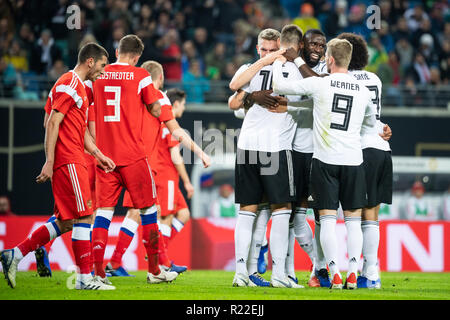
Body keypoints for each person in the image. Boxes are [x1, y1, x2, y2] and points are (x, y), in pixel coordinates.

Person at [0, 43, 116, 290]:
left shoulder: (78, 88)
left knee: (67, 221)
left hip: (74, 156)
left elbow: (64, 124)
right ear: (90, 61)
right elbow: (52, 122)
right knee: (85, 215)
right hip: (69, 159)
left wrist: (97, 153)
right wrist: (50, 161)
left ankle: (15, 254)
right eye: (103, 66)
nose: (103, 72)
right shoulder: (71, 83)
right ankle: (84, 280)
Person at [272, 38, 376, 289]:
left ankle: (333, 272)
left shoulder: (320, 84)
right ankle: (353, 271)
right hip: (353, 160)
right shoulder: (363, 89)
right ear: (349, 61)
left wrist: (277, 61)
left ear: (329, 59)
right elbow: (371, 124)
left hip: (325, 160)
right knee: (353, 220)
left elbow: (279, 85)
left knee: (327, 219)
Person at [98, 58, 210, 280]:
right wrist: (200, 151)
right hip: (144, 166)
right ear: (159, 78)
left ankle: (109, 265)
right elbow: (175, 130)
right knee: (153, 213)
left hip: (115, 158)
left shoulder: (127, 95)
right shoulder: (158, 97)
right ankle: (156, 265)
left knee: (115, 212)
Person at [91, 34, 178, 285]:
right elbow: (153, 108)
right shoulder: (140, 75)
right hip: (133, 156)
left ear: (117, 50)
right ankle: (154, 270)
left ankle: (97, 274)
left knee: (103, 215)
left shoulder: (99, 74)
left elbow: (89, 108)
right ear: (138, 57)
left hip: (104, 156)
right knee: (149, 210)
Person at [229, 28, 301, 289]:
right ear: (258, 48)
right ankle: (275, 273)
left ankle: (246, 272)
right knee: (279, 210)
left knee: (251, 211)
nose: (268, 54)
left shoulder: (252, 69)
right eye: (264, 49)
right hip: (272, 148)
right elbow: (233, 94)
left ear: (280, 47)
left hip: (249, 146)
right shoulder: (286, 70)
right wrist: (251, 96)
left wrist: (249, 96)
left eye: (273, 50)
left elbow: (234, 96)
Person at [337, 32, 393, 289]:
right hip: (381, 147)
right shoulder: (375, 79)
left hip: (359, 148)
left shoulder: (341, 80)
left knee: (355, 214)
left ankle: (367, 272)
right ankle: (371, 272)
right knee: (371, 216)